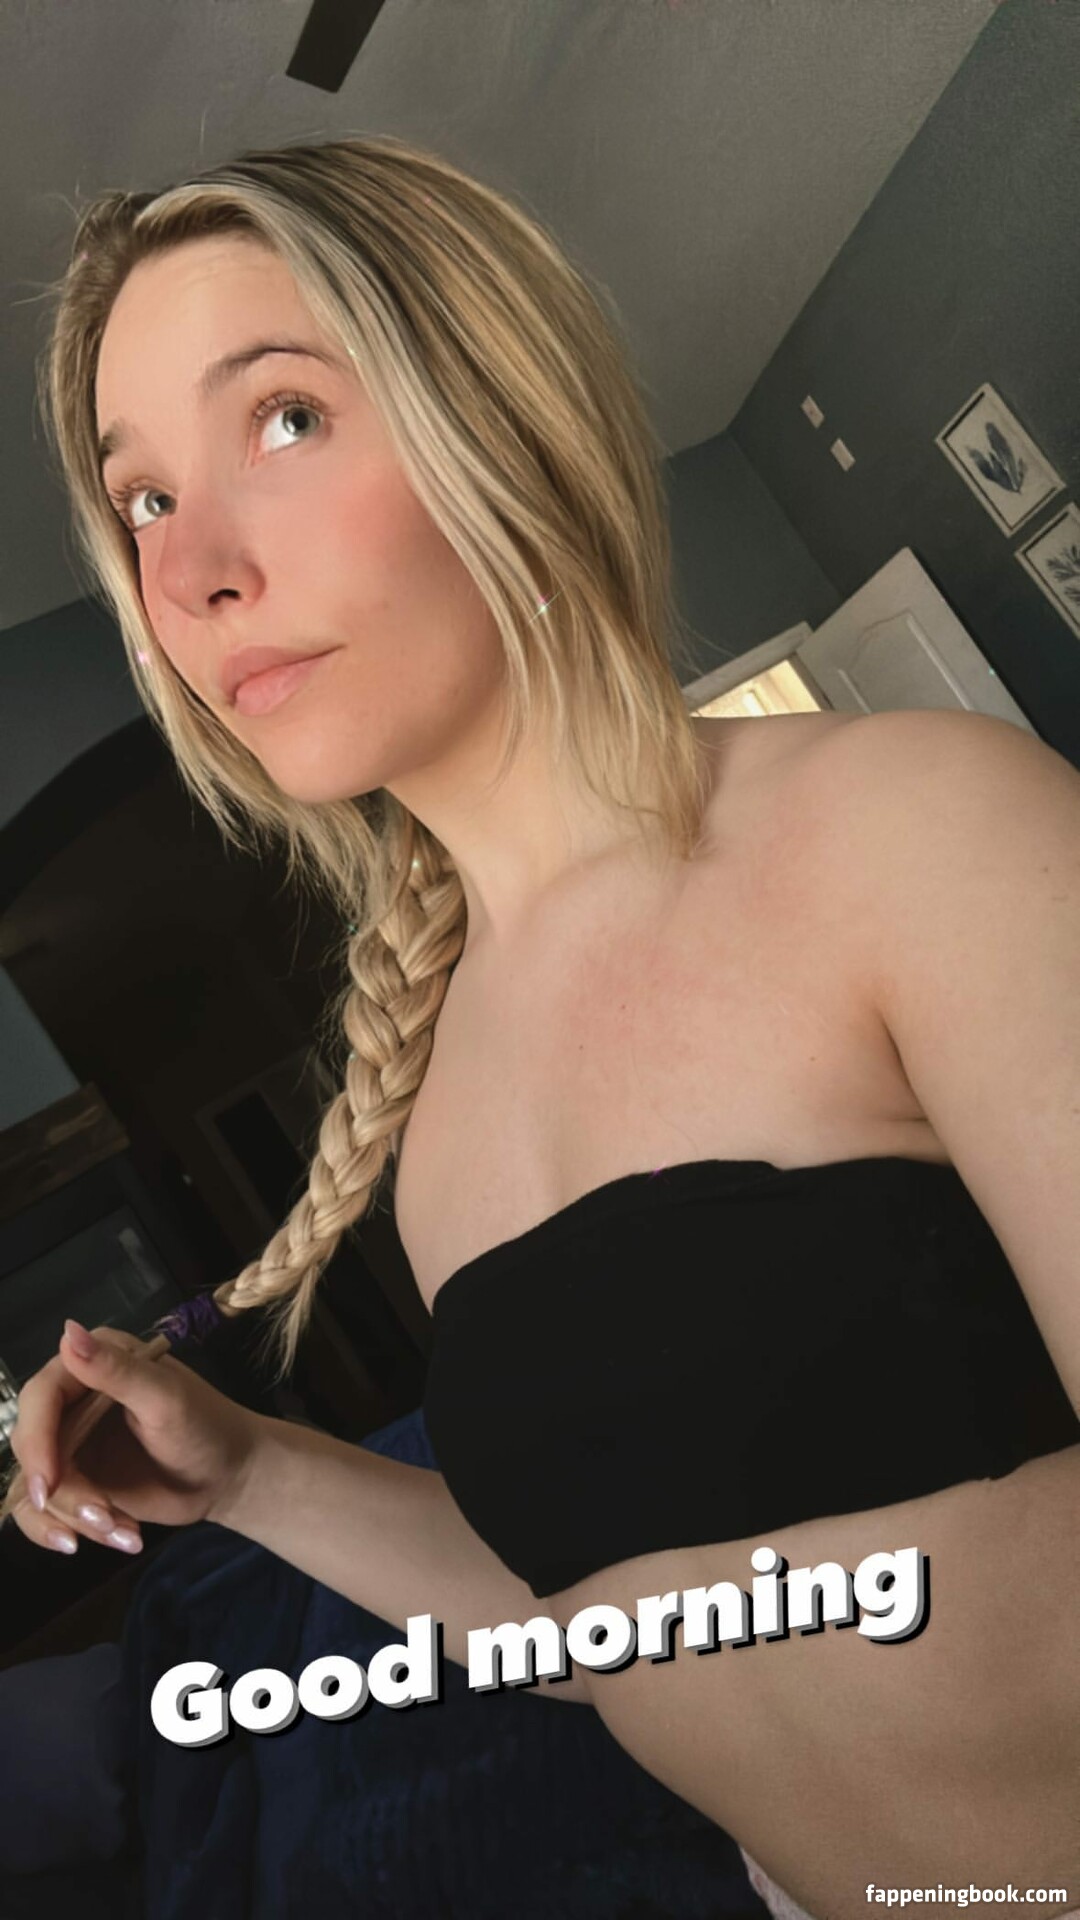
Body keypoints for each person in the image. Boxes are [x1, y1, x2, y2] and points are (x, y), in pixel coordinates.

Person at [2, 132, 1078, 1920]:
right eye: (143, 503)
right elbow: (615, 1631)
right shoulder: (441, 1121)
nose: (188, 571)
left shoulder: (919, 826)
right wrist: (247, 1470)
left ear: (496, 408)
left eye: (283, 418)